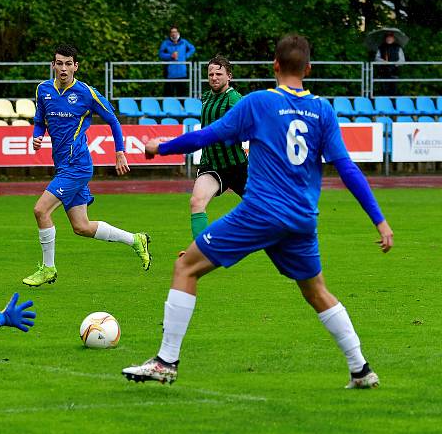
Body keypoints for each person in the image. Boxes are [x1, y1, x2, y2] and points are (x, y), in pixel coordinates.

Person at [123, 34, 394, 389]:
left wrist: (161, 147)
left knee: (185, 267)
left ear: (275, 66)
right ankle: (360, 369)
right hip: (301, 220)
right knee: (316, 291)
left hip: (261, 213)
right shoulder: (323, 111)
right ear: (308, 69)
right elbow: (347, 169)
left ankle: (165, 362)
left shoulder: (259, 104)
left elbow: (208, 136)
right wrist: (380, 220)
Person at [21, 44, 151, 287]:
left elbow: (113, 120)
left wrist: (120, 151)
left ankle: (48, 269)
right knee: (81, 226)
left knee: (41, 210)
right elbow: (39, 121)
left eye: (68, 63)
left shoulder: (86, 93)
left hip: (77, 166)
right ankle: (135, 240)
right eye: (59, 63)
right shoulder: (43, 90)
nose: (63, 68)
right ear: (53, 65)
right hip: (62, 166)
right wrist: (37, 136)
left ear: (75, 66)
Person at [189, 55, 247, 241]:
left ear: (229, 75)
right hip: (211, 165)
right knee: (197, 202)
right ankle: (200, 251)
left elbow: (248, 127)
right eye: (211, 74)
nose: (214, 77)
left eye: (219, 74)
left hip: (236, 166)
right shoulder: (206, 97)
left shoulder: (234, 99)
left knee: (265, 209)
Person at [158, 25, 196, 98]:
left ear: (178, 32)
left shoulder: (184, 42)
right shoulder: (166, 43)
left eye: (175, 32)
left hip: (182, 72)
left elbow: (192, 49)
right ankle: (168, 108)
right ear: (170, 34)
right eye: (172, 32)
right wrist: (170, 56)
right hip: (170, 73)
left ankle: (182, 108)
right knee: (169, 94)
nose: (174, 34)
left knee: (182, 94)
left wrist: (186, 56)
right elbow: (161, 54)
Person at [375, 31, 405, 96]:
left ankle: (393, 105)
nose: (389, 38)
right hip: (383, 73)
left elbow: (402, 60)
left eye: (390, 37)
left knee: (394, 91)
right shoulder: (381, 47)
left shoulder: (398, 48)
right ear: (385, 38)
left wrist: (394, 64)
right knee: (384, 91)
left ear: (393, 38)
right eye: (387, 37)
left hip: (394, 72)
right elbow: (377, 58)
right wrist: (383, 62)